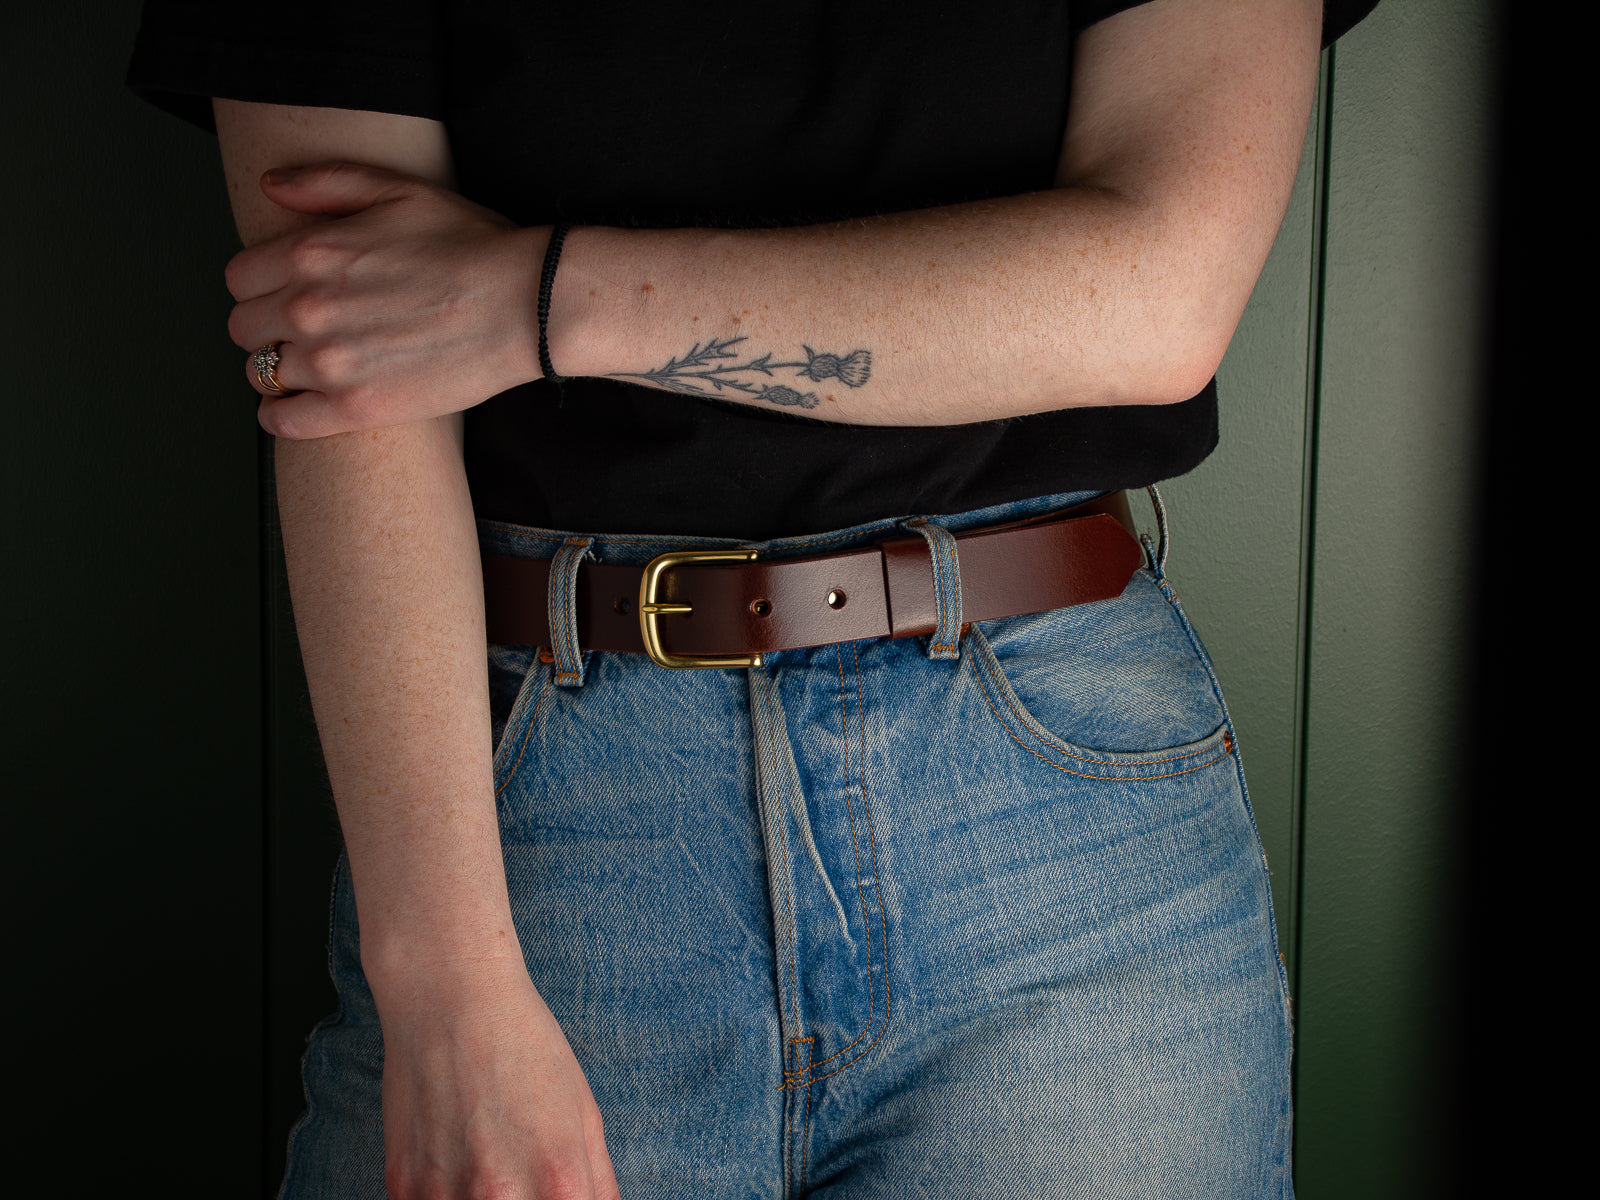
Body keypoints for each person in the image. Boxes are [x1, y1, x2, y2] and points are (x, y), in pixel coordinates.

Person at [129, 1, 1376, 1195]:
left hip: (1052, 811)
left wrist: (532, 299)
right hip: (539, 831)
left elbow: (1155, 296)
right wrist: (443, 981)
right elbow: (343, 340)